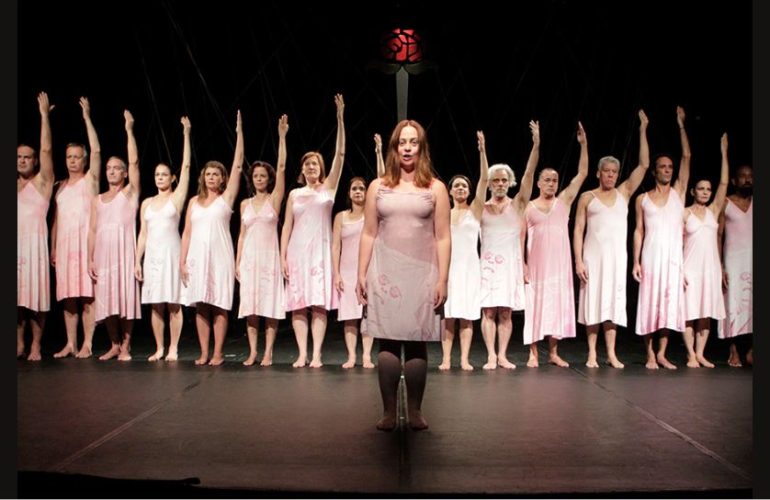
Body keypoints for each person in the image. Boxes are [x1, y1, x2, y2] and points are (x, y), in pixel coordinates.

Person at [356, 119, 451, 431]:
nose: (407, 147)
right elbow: (368, 233)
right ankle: (387, 411)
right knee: (385, 341)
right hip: (385, 272)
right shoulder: (378, 186)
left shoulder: (435, 188)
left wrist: (443, 278)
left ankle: (414, 410)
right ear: (394, 148)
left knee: (416, 342)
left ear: (421, 148)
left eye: (413, 142)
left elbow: (443, 236)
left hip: (423, 273)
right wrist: (361, 273)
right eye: (402, 142)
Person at [573, 110, 650, 368]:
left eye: (614, 172)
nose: (610, 175)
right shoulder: (587, 197)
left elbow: (644, 166)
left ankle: (612, 354)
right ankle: (592, 353)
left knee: (613, 305)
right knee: (593, 304)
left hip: (617, 259)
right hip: (592, 258)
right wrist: (578, 261)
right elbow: (578, 230)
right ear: (598, 173)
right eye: (606, 172)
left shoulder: (624, 193)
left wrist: (642, 130)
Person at [281, 94, 345, 368]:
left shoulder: (328, 187)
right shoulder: (295, 194)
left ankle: (317, 354)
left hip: (319, 252)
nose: (311, 166)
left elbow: (340, 155)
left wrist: (340, 119)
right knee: (298, 303)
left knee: (318, 304)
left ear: (320, 168)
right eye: (307, 163)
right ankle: (302, 353)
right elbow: (286, 226)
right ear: (302, 169)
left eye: (315, 163)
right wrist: (283, 256)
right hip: (297, 252)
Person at [180, 111, 244, 366]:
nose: (212, 177)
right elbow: (186, 232)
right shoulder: (194, 202)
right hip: (196, 257)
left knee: (218, 304)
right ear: (203, 177)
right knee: (201, 306)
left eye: (216, 174)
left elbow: (239, 164)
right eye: (208, 174)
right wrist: (182, 261)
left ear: (223, 179)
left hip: (219, 257)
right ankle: (204, 352)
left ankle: (218, 352)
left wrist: (239, 132)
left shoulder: (226, 199)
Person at [523, 122, 589, 368]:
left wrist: (583, 145)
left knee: (555, 305)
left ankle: (553, 352)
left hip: (559, 266)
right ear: (539, 183)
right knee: (535, 305)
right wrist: (523, 265)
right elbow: (520, 238)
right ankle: (533, 353)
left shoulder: (564, 202)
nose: (552, 183)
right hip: (537, 264)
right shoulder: (528, 207)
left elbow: (582, 174)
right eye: (547, 180)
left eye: (555, 180)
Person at [633, 106, 691, 369]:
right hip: (651, 256)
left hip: (673, 258)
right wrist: (635, 261)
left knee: (669, 304)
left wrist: (681, 125)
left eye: (670, 167)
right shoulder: (642, 199)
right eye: (663, 167)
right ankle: (648, 354)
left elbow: (687, 156)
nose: (668, 170)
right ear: (654, 171)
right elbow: (638, 231)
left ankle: (662, 353)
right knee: (649, 303)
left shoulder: (679, 192)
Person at [479, 121, 540, 370]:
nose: (500, 184)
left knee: (505, 312)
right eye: (496, 181)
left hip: (510, 267)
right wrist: (482, 152)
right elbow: (481, 177)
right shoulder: (481, 208)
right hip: (487, 267)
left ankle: (502, 355)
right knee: (488, 313)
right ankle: (490, 355)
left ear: (509, 182)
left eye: (504, 180)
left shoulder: (518, 206)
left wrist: (536, 145)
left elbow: (529, 175)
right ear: (491, 183)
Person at [134, 116, 192, 362]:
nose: (159, 178)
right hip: (153, 257)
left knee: (173, 303)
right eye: (157, 174)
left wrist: (186, 134)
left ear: (172, 178)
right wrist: (137, 260)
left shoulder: (176, 199)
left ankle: (174, 347)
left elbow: (187, 167)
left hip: (171, 254)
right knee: (155, 304)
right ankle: (159, 347)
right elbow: (143, 233)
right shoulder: (146, 203)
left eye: (164, 174)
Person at [87, 110, 142, 361]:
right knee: (107, 297)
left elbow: (134, 162)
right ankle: (113, 344)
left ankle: (127, 346)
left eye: (116, 168)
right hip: (103, 253)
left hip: (123, 251)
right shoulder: (98, 199)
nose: (111, 172)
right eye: (108, 168)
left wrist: (129, 130)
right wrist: (90, 258)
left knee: (125, 297)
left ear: (124, 173)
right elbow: (93, 229)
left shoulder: (129, 193)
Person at [235, 114, 288, 367]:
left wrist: (281, 137)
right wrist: (237, 263)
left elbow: (282, 167)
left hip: (269, 259)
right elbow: (242, 235)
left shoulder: (274, 199)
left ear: (268, 179)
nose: (259, 179)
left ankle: (268, 352)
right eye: (255, 175)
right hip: (249, 260)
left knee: (269, 306)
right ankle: (253, 351)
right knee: (251, 307)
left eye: (262, 176)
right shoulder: (244, 203)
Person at [51, 96, 101, 358]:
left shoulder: (90, 181)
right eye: (69, 157)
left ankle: (87, 343)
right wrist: (53, 247)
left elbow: (97, 152)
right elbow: (57, 220)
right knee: (68, 298)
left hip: (85, 244)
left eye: (77, 157)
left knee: (87, 296)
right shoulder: (59, 186)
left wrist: (87, 118)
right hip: (64, 246)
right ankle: (70, 342)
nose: (73, 161)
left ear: (83, 160)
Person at [439, 131, 489, 371]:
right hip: (448, 269)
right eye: (456, 185)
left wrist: (482, 152)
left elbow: (484, 180)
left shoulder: (475, 211)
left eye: (464, 185)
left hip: (469, 269)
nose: (460, 188)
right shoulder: (443, 214)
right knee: (449, 317)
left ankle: (465, 359)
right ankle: (447, 359)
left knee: (467, 315)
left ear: (469, 191)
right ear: (450, 191)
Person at [682, 133, 730, 368]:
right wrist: (679, 270)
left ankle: (701, 353)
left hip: (710, 268)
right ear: (693, 191)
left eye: (707, 189)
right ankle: (690, 354)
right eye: (700, 189)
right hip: (690, 267)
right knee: (689, 312)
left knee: (705, 312)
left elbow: (724, 183)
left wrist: (723, 153)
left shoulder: (713, 211)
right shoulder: (685, 214)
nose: (705, 192)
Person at [17, 92, 55, 361]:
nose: (22, 160)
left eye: (27, 157)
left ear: (35, 161)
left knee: (37, 297)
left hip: (35, 244)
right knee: (17, 298)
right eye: (18, 157)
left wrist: (44, 117)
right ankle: (19, 343)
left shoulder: (42, 182)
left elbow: (47, 149)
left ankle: (36, 345)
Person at [332, 176, 374, 369]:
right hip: (346, 270)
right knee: (349, 316)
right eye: (354, 189)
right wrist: (336, 273)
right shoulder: (341, 217)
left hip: (368, 269)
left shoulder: (372, 215)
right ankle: (351, 356)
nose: (358, 192)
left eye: (361, 189)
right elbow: (335, 247)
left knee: (367, 315)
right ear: (349, 193)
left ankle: (366, 355)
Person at [717, 162, 753, 367]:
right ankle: (733, 350)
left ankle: (750, 350)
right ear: (734, 180)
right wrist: (719, 265)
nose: (747, 179)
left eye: (750, 176)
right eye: (742, 175)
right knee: (732, 303)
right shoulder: (725, 202)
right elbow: (719, 235)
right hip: (733, 259)